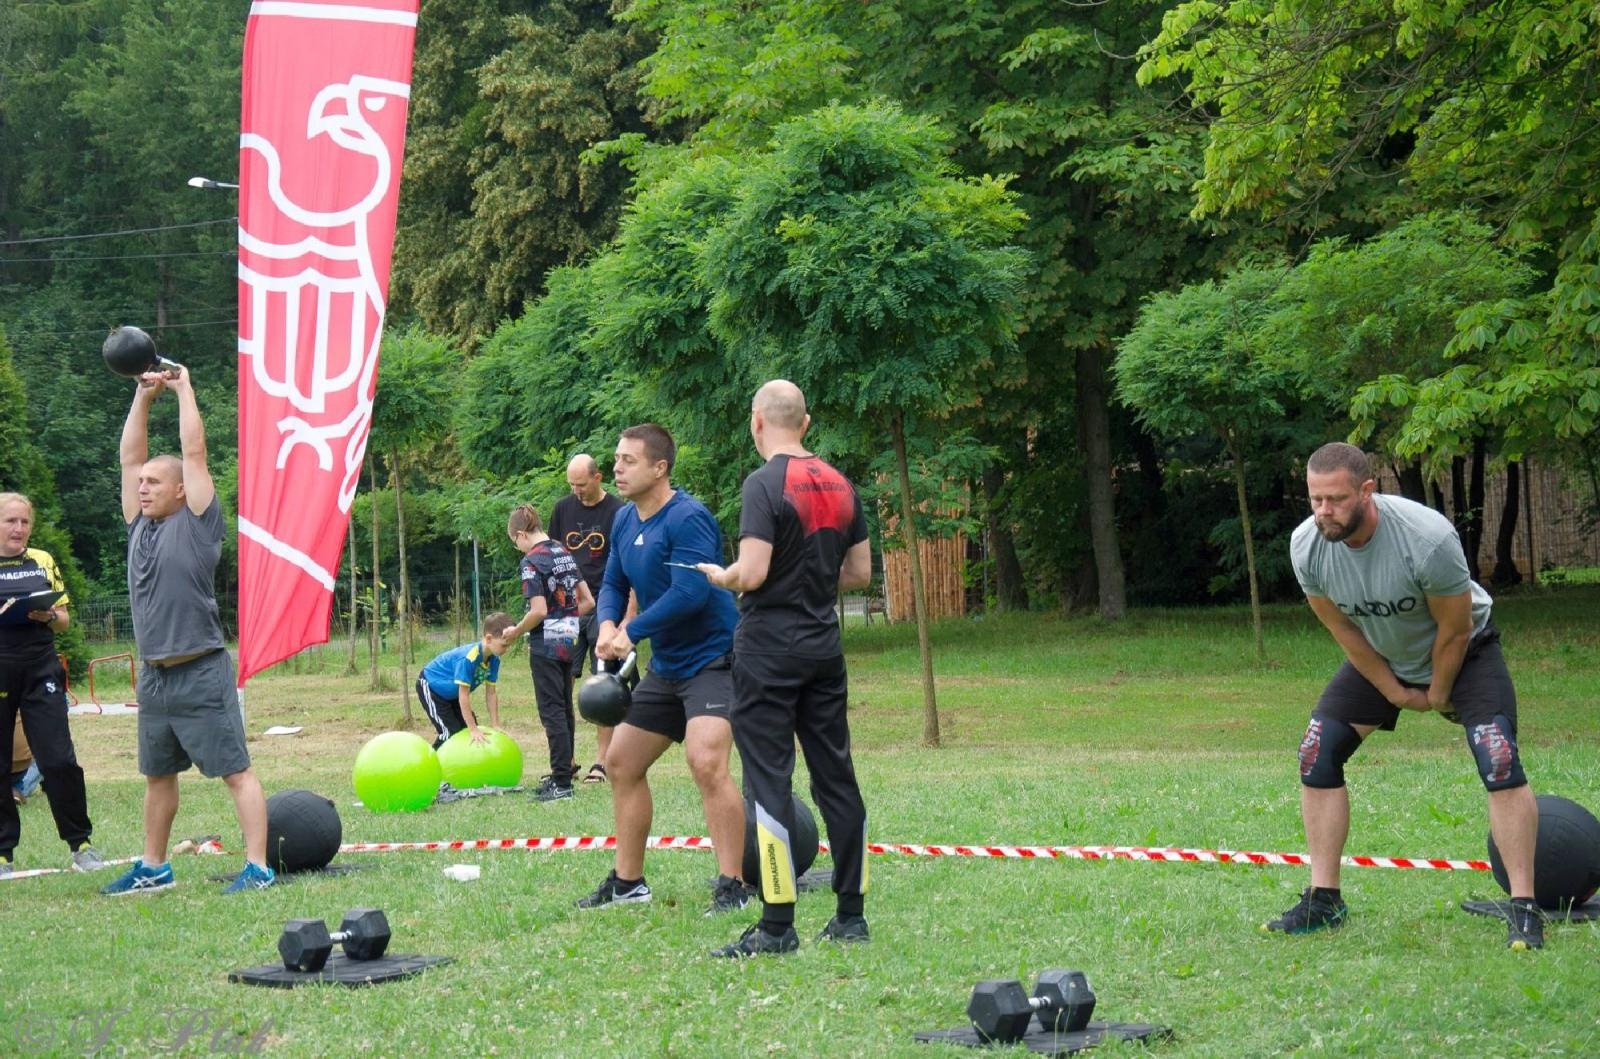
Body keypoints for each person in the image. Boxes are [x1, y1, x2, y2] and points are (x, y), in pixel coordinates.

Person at [1269, 442, 1543, 949]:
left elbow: (1455, 631)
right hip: (1382, 656)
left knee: (1499, 758)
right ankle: (1324, 901)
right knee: (1316, 753)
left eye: (1336, 499)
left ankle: (1524, 907)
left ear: (1368, 491)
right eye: (1315, 500)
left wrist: (1438, 693)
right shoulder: (1307, 545)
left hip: (1466, 653)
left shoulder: (1425, 538)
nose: (1323, 511)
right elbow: (1345, 632)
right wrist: (1393, 689)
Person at [698, 381, 874, 957]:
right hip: (823, 645)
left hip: (769, 647)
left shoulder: (763, 483)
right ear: (806, 421)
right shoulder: (840, 482)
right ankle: (851, 915)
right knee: (837, 778)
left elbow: (750, 572)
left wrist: (720, 576)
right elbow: (859, 573)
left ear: (757, 422)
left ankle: (777, 927)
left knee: (770, 781)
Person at [101, 367, 276, 895]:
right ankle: (154, 866)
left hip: (200, 668)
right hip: (154, 677)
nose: (143, 487)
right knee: (158, 776)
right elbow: (130, 458)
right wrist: (141, 396)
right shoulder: (140, 527)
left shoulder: (198, 523)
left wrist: (182, 389)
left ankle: (258, 867)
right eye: (141, 485)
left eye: (154, 483)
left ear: (181, 490)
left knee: (235, 771)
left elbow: (195, 454)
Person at [576, 423, 747, 914]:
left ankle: (731, 885)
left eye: (629, 460)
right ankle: (629, 882)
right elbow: (612, 580)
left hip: (714, 661)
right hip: (668, 667)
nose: (617, 468)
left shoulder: (688, 517)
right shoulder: (626, 520)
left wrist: (633, 631)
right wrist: (609, 622)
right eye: (616, 459)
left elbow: (692, 593)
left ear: (659, 467)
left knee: (706, 761)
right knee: (621, 763)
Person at [0, 492, 104, 876]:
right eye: (11, 521)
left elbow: (64, 621)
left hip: (40, 666)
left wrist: (47, 615)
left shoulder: (41, 559)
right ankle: (3, 854)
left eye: (24, 522)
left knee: (58, 759)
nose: (19, 529)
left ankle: (81, 844)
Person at [505, 505, 594, 801]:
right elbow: (587, 602)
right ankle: (564, 773)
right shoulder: (563, 552)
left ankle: (561, 783)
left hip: (545, 645)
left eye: (515, 542)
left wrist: (516, 631)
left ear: (520, 534)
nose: (518, 549)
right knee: (565, 708)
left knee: (551, 711)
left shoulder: (532, 562)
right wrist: (565, 619)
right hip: (570, 639)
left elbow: (539, 611)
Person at [548, 454, 625, 784]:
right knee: (557, 684)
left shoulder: (619, 511)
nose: (576, 490)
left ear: (598, 477)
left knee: (603, 685)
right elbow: (549, 556)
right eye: (571, 484)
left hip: (605, 606)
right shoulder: (562, 509)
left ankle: (602, 762)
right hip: (565, 607)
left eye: (581, 484)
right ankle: (566, 760)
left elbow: (626, 566)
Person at [416, 613, 515, 752]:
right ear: (489, 638)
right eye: (504, 645)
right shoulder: (468, 658)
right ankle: (430, 763)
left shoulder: (494, 660)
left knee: (466, 732)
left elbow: (491, 693)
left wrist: (495, 724)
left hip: (453, 694)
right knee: (450, 733)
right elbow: (464, 695)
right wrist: (473, 728)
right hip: (431, 688)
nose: (506, 649)